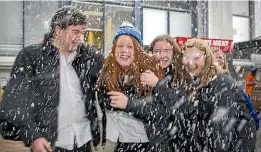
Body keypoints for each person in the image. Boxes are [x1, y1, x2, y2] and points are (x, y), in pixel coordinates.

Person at [110, 38, 257, 152]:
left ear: (207, 58)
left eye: (196, 58)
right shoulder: (195, 82)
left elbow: (219, 135)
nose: (190, 63)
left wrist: (156, 88)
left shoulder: (220, 83)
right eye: (186, 58)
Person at [0, 6, 104, 152]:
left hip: (83, 141)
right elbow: (16, 102)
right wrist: (33, 135)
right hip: (51, 144)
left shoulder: (86, 58)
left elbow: (112, 66)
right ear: (58, 30)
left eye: (82, 32)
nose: (80, 38)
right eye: (75, 32)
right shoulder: (32, 56)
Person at [97, 21, 163, 152]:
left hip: (140, 143)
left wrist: (129, 104)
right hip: (111, 143)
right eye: (120, 46)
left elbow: (159, 112)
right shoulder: (105, 71)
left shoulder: (150, 74)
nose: (124, 50)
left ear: (137, 50)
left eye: (130, 47)